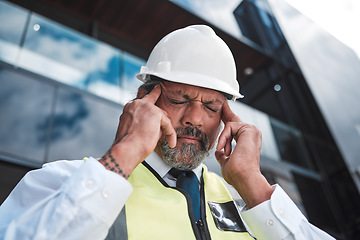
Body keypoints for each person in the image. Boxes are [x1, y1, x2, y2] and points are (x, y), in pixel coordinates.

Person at [0, 25, 334, 240]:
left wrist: (255, 184)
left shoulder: (249, 203)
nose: (194, 119)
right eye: (180, 99)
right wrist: (126, 151)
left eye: (212, 106)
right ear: (143, 101)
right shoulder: (68, 181)